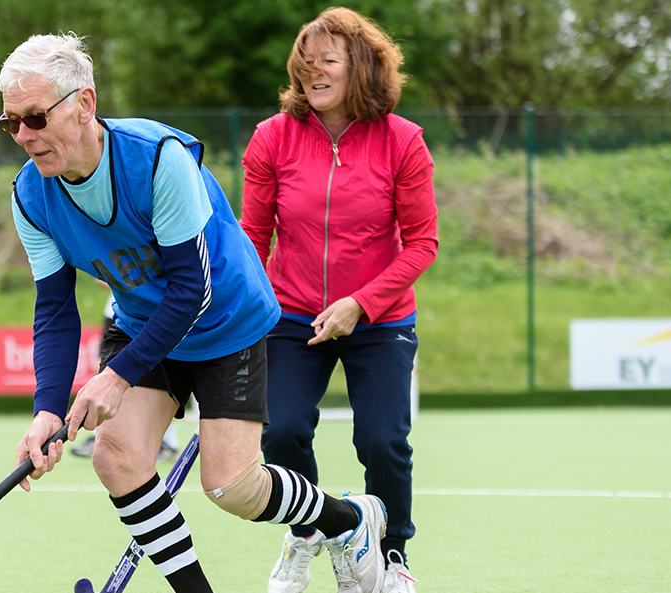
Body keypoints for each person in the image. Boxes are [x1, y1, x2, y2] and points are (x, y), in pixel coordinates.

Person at [0, 33, 388, 593]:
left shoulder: (158, 159)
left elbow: (191, 290)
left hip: (224, 318)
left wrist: (117, 376)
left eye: (35, 117)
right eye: (10, 122)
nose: (24, 136)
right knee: (117, 456)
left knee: (233, 488)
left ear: (84, 103)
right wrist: (45, 409)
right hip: (143, 324)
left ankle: (351, 521)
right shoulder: (30, 197)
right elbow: (54, 311)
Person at [239, 8, 438, 593]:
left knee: (382, 440)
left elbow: (422, 243)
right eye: (305, 62)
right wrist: (245, 303)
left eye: (328, 60)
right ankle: (310, 534)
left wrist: (361, 302)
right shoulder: (271, 137)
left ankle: (392, 553)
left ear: (363, 69)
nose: (312, 72)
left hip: (379, 318)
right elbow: (252, 236)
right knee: (280, 432)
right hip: (291, 312)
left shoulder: (403, 141)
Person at [72, 291, 182, 462]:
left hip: (155, 312)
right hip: (119, 310)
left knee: (161, 376)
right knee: (102, 371)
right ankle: (96, 434)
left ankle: (169, 441)